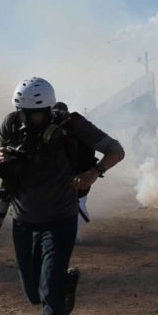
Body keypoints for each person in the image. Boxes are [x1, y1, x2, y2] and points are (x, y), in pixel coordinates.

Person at [0, 77, 124, 315]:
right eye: (22, 112)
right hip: (22, 221)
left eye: (33, 114)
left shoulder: (71, 126)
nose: (27, 120)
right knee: (34, 294)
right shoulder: (12, 124)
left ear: (48, 110)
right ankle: (67, 284)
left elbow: (115, 150)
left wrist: (94, 172)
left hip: (60, 221)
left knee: (48, 291)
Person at [53, 101, 94, 243]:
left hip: (77, 175)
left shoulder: (75, 130)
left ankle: (72, 235)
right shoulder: (54, 132)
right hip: (75, 176)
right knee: (77, 204)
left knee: (77, 204)